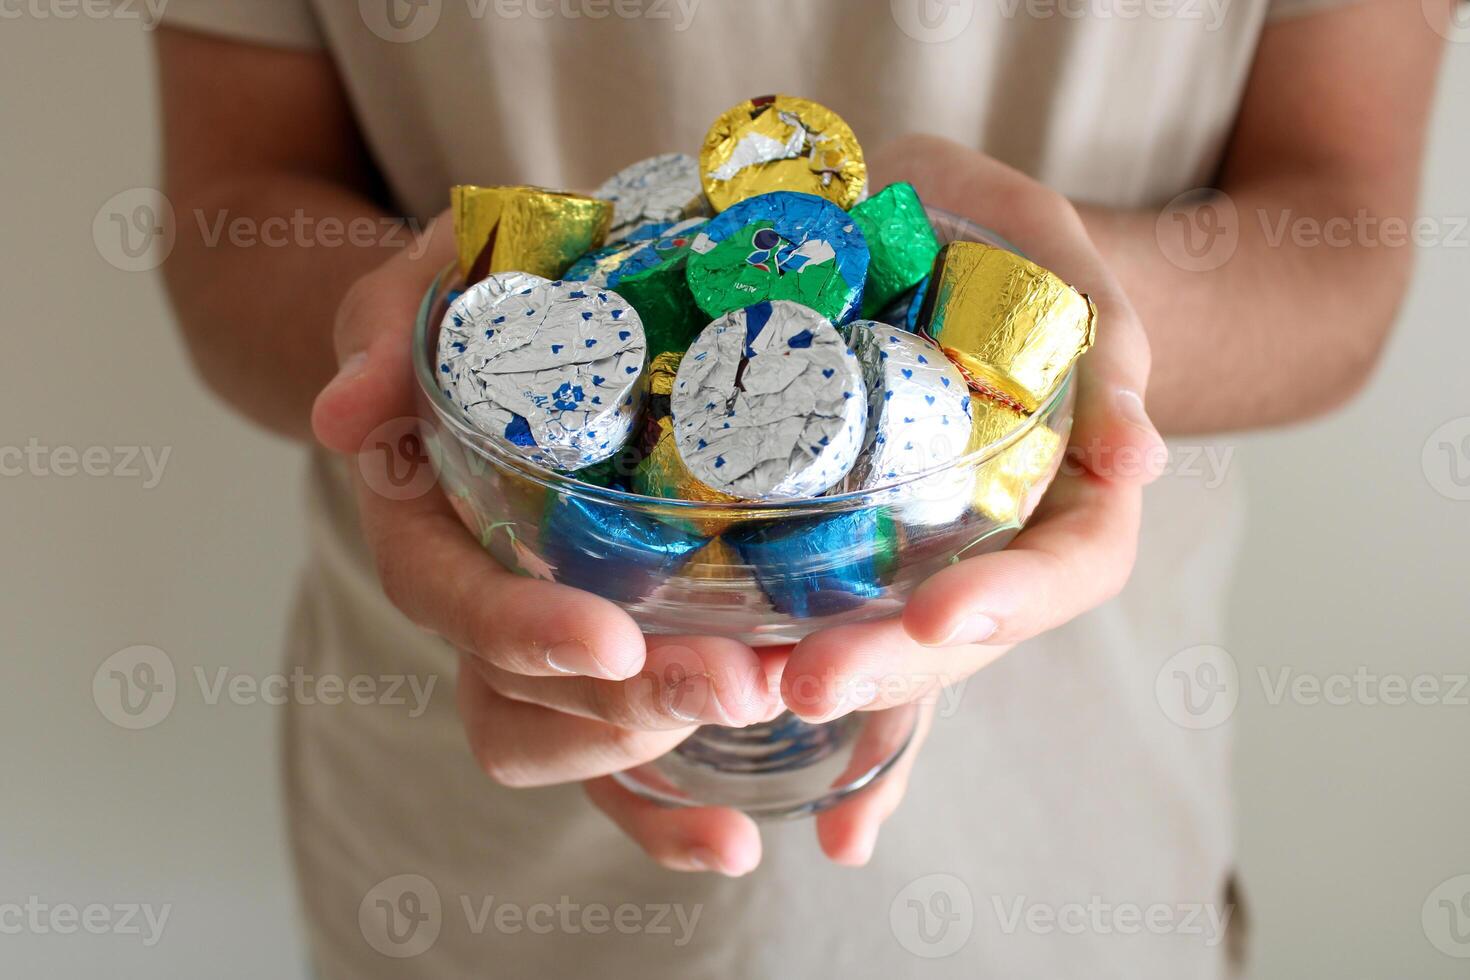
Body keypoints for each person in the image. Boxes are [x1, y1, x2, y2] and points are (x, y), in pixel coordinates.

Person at [152, 0, 1451, 975]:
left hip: (1073, 864)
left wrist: (1062, 328)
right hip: (462, 857)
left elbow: (1340, 237)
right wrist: (407, 355)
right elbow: (227, 220)